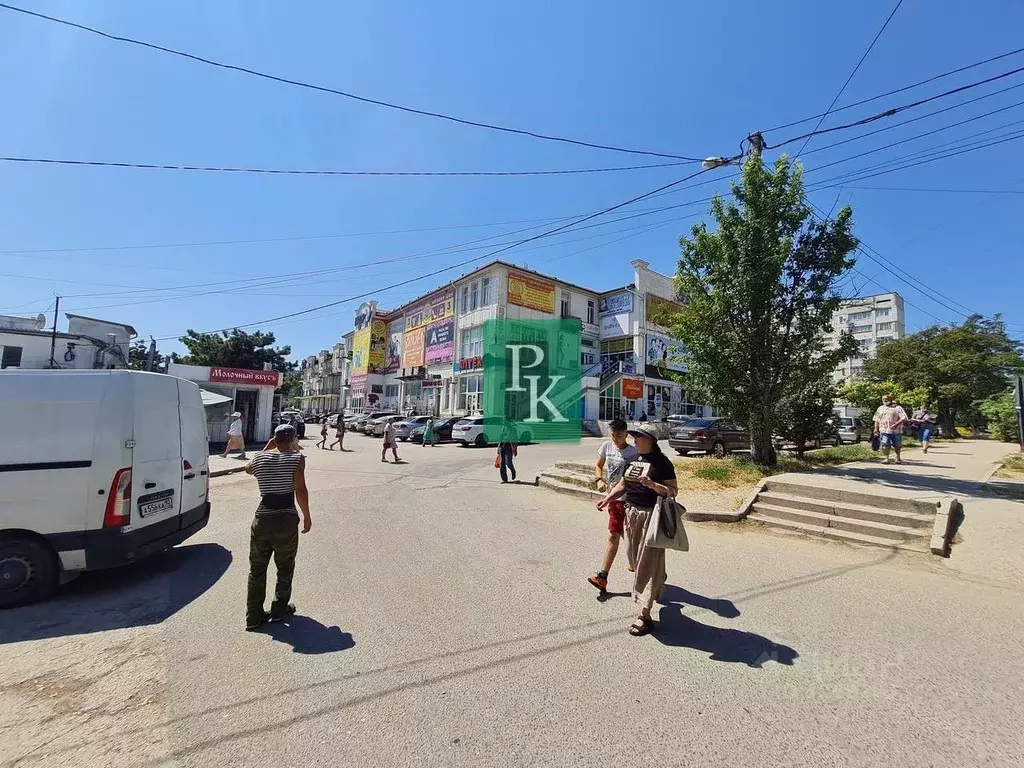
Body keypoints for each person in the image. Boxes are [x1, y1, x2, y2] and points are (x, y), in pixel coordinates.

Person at [597, 427, 677, 636]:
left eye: (638, 436)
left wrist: (652, 485)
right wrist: (608, 499)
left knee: (645, 564)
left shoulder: (662, 463)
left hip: (652, 516)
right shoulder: (634, 460)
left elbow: (672, 491)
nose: (634, 439)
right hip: (630, 514)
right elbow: (623, 485)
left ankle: (645, 615)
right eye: (635, 436)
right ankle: (659, 577)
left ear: (650, 440)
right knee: (634, 560)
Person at [243, 423, 312, 631]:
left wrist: (268, 447)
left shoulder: (259, 458)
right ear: (292, 439)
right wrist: (307, 516)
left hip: (262, 517)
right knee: (285, 566)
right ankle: (279, 609)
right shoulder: (296, 459)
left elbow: (248, 469)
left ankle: (253, 616)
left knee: (257, 569)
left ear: (274, 439)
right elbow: (300, 490)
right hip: (286, 518)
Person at [587, 418, 640, 593]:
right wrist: (598, 479)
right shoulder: (606, 447)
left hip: (628, 499)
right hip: (613, 499)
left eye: (619, 435)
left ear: (626, 434)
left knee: (624, 536)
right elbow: (598, 465)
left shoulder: (633, 453)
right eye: (612, 434)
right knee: (618, 535)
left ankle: (639, 567)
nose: (615, 438)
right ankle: (607, 575)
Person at [873, 394, 909, 465]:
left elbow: (903, 418)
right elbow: (876, 419)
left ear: (890, 399)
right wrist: (875, 429)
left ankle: (898, 457)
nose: (884, 401)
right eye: (883, 399)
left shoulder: (897, 408)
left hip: (896, 431)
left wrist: (896, 424)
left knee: (897, 445)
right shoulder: (880, 408)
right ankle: (887, 458)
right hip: (884, 430)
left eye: (886, 399)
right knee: (885, 444)